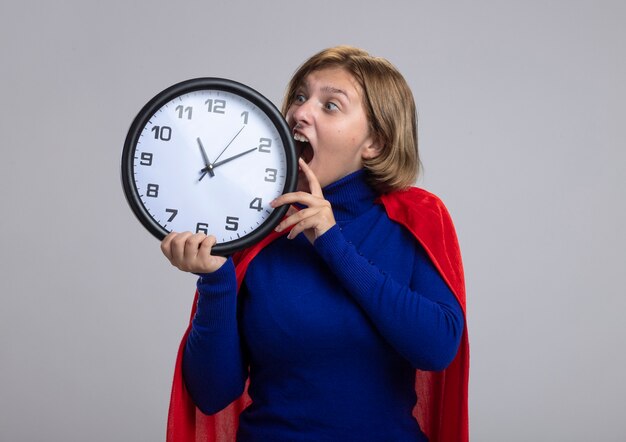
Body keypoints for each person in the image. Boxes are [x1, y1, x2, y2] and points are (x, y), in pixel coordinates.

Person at [162, 46, 469, 442]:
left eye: (330, 105)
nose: (300, 112)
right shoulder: (253, 228)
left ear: (374, 141)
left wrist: (331, 241)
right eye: (301, 97)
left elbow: (437, 347)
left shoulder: (416, 219)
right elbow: (211, 393)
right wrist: (215, 280)